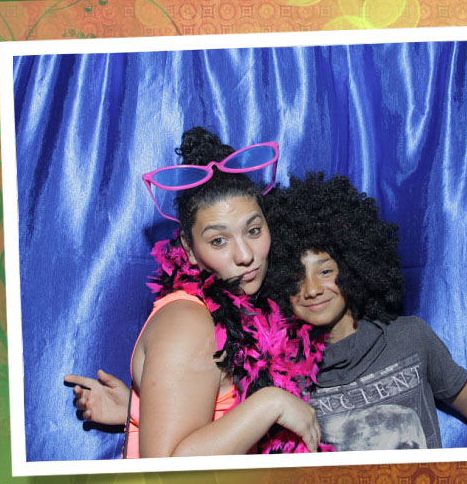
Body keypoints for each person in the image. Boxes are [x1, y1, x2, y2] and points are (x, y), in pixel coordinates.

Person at [71, 171, 467, 451]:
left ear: (356, 267)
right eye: (295, 276)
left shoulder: (409, 338)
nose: (311, 288)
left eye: (327, 270)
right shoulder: (282, 372)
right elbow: (224, 418)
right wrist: (141, 411)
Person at [97, 127, 324, 457]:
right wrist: (270, 404)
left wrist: (136, 413)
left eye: (253, 230)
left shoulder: (246, 313)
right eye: (219, 240)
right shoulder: (188, 322)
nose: (245, 255)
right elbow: (164, 472)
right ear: (189, 248)